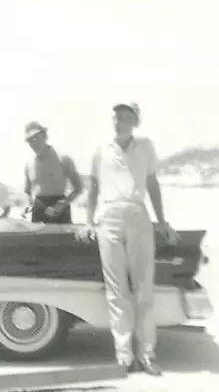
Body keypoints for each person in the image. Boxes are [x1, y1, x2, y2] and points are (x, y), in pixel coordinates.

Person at [78, 101, 179, 376]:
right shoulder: (101, 149)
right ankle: (124, 355)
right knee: (116, 290)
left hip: (137, 214)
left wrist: (162, 221)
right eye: (116, 116)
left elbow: (153, 185)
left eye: (125, 117)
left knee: (144, 287)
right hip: (108, 216)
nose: (119, 121)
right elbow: (93, 188)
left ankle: (147, 354)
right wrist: (88, 221)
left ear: (136, 121)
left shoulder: (145, 146)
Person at [23, 121, 83, 224]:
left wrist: (62, 204)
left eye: (36, 138)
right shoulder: (29, 164)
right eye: (30, 141)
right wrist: (29, 204)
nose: (34, 143)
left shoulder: (63, 159)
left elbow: (78, 188)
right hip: (38, 210)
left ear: (45, 136)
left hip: (60, 209)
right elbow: (27, 192)